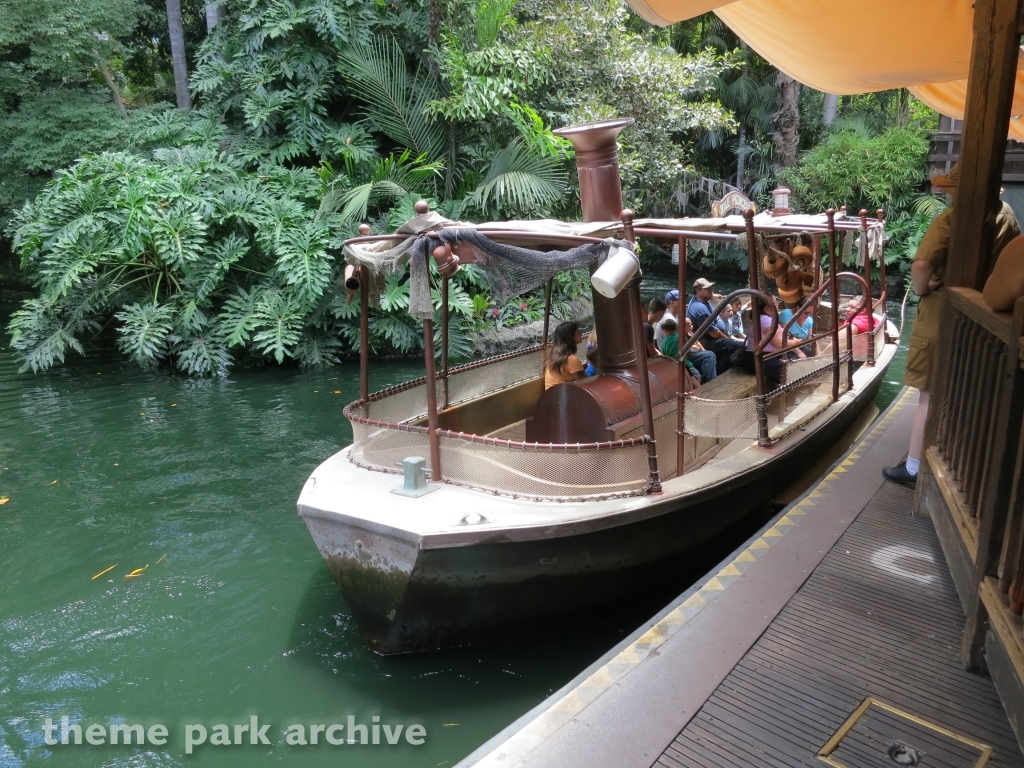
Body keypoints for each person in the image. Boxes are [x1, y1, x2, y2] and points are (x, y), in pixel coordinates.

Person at [883, 162, 1021, 488]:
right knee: (963, 390)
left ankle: (914, 468)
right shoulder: (1008, 217)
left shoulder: (951, 219)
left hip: (942, 312)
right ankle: (948, 455)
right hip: (985, 316)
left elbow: (921, 264)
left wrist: (920, 288)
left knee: (928, 395)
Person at [738, 304, 808, 388]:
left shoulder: (765, 318)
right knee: (792, 372)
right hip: (761, 357)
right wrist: (796, 342)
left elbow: (785, 338)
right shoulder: (766, 320)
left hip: (769, 355)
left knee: (806, 353)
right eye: (775, 302)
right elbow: (780, 343)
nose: (778, 304)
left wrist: (798, 350)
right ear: (767, 307)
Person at [686, 277, 744, 372]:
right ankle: (721, 372)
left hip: (713, 337)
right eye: (708, 289)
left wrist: (712, 295)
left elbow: (709, 295)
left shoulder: (702, 300)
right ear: (699, 291)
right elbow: (714, 333)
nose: (711, 291)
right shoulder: (700, 308)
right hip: (706, 340)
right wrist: (728, 338)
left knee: (739, 343)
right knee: (735, 345)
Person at [544, 321, 586, 389]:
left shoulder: (553, 356)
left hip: (552, 396)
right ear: (570, 338)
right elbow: (585, 382)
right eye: (578, 332)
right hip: (562, 396)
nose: (581, 334)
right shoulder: (571, 359)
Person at [660, 318, 702, 382]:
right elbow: (688, 351)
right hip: (685, 363)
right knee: (698, 376)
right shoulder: (681, 337)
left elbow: (664, 355)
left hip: (673, 366)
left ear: (666, 331)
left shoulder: (664, 342)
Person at [682, 317, 716, 382]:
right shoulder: (681, 336)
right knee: (709, 356)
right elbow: (683, 347)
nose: (692, 326)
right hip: (687, 354)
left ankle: (712, 379)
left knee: (711, 354)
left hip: (695, 351)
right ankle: (709, 381)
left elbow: (697, 342)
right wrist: (693, 346)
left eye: (691, 324)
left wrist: (704, 350)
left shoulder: (689, 334)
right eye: (689, 325)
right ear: (683, 327)